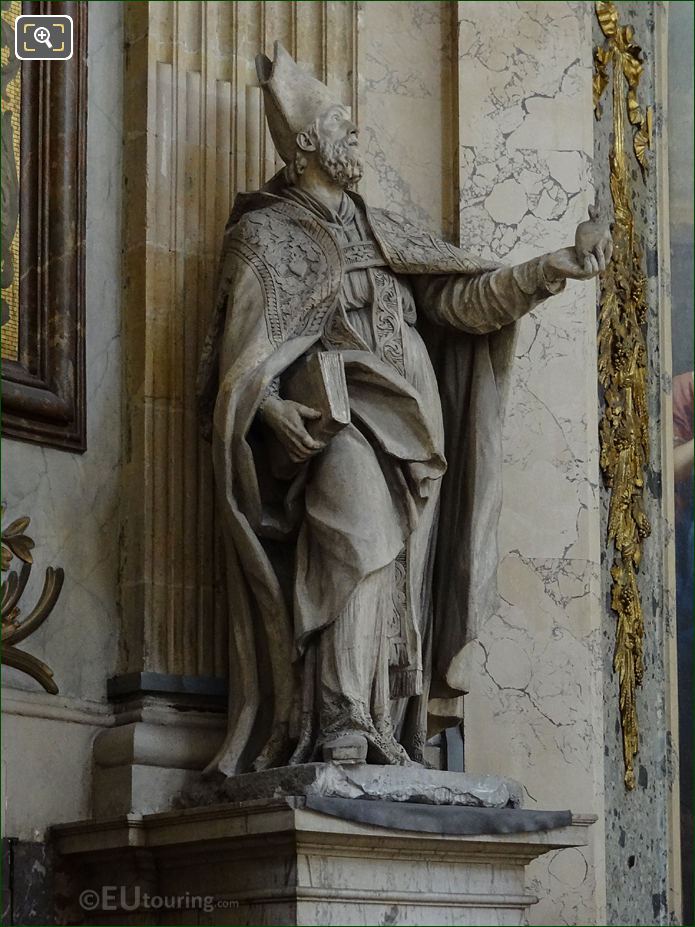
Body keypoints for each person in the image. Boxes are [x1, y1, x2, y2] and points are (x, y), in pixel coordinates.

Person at [197, 42, 612, 776]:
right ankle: (339, 718)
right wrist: (265, 409)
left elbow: (461, 300)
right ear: (306, 146)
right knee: (357, 540)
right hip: (338, 423)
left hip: (416, 430)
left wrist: (551, 268)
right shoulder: (262, 236)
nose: (356, 138)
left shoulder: (382, 228)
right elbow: (237, 364)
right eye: (342, 128)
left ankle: (386, 719)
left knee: (399, 575)